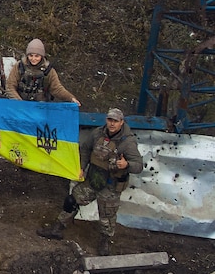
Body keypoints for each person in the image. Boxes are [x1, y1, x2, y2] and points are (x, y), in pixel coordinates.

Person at [36, 108, 142, 255]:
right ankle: (57, 228)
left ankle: (104, 242)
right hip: (93, 179)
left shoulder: (127, 143)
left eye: (115, 121)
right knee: (72, 200)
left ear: (121, 122)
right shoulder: (98, 133)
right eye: (110, 120)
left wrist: (126, 165)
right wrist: (81, 167)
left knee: (107, 217)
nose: (112, 124)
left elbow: (139, 166)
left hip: (110, 186)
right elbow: (85, 149)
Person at [5, 38, 81, 106]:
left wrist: (70, 98)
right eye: (31, 55)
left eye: (37, 56)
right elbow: (10, 85)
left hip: (41, 106)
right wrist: (19, 102)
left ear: (42, 56)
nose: (33, 59)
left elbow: (57, 89)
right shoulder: (19, 66)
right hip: (20, 105)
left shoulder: (48, 71)